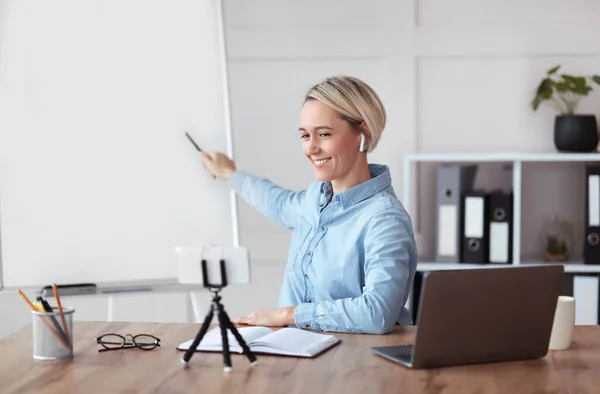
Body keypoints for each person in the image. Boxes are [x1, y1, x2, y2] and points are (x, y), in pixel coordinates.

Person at [202, 76, 417, 334]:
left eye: (324, 134)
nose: (311, 148)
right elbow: (278, 203)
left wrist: (287, 314)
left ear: (363, 132)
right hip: (297, 354)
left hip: (358, 364)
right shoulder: (315, 198)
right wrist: (230, 173)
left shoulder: (384, 218)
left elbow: (377, 313)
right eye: (305, 135)